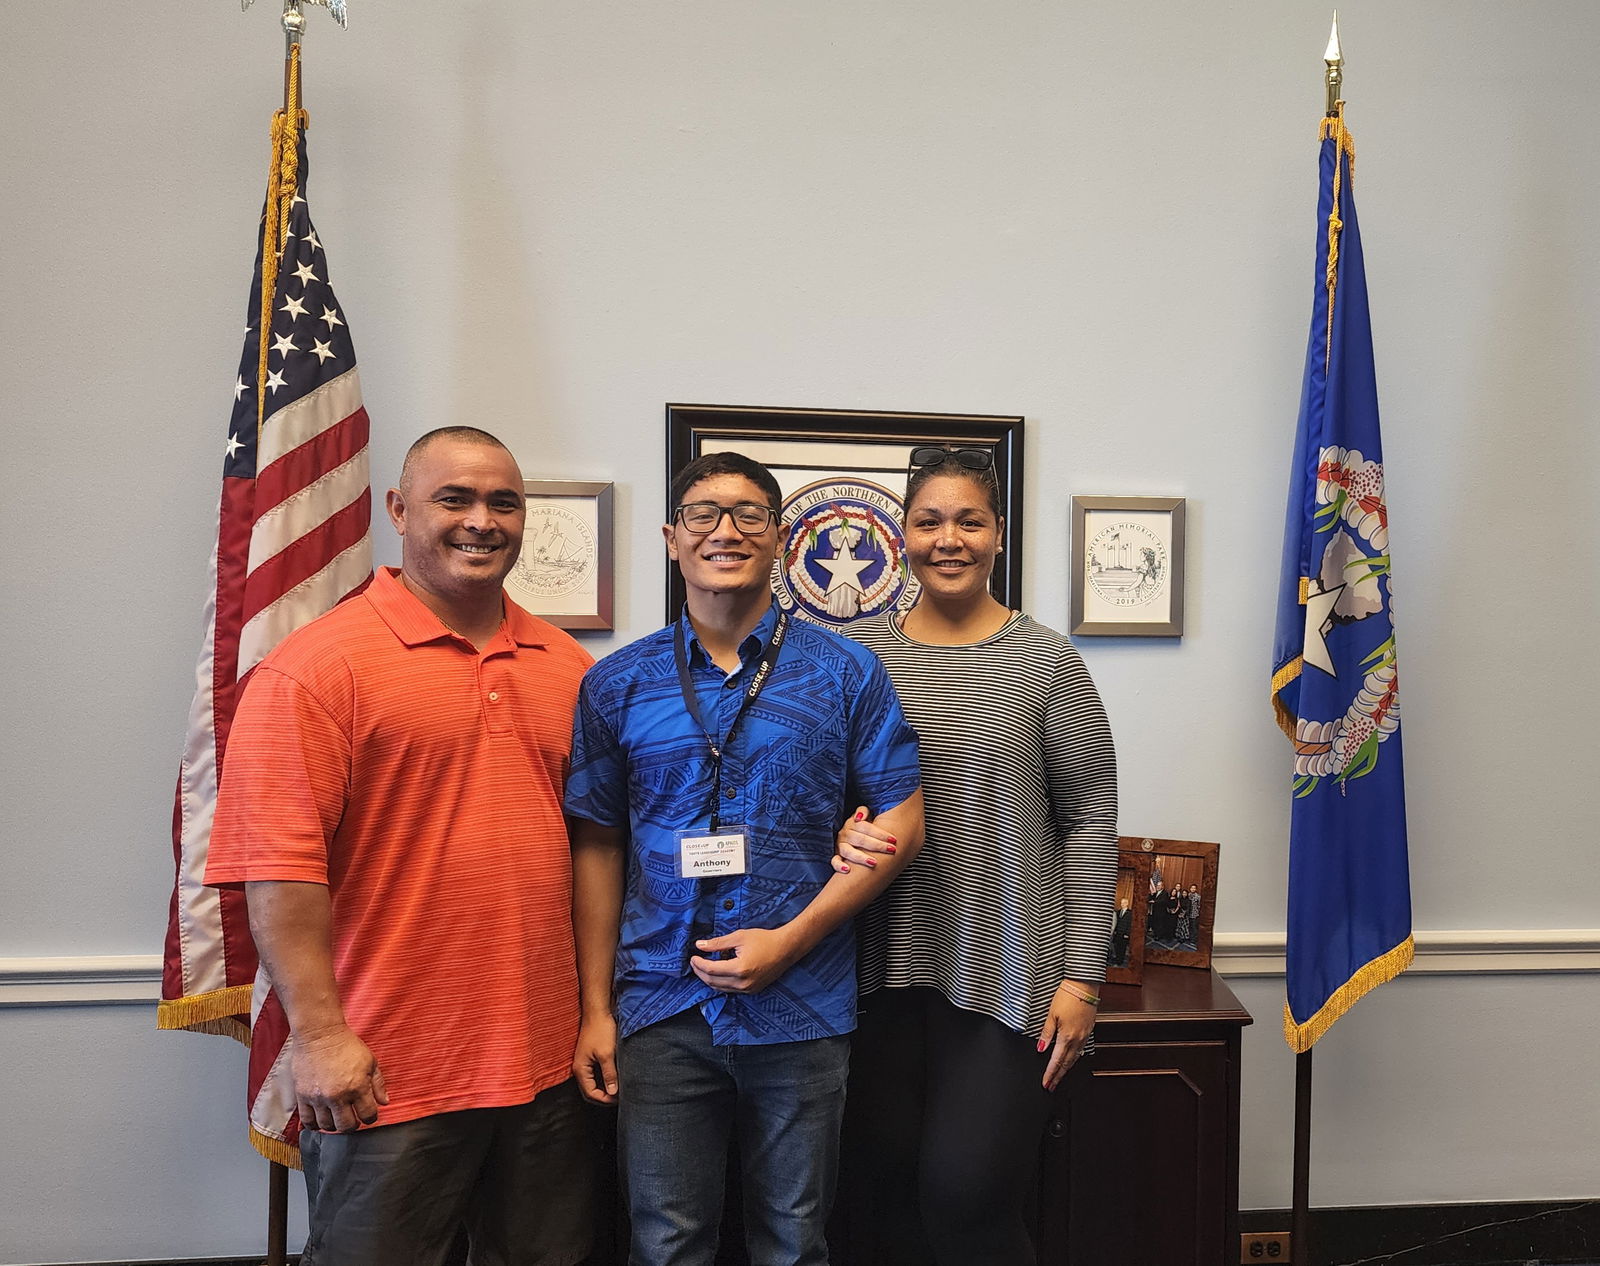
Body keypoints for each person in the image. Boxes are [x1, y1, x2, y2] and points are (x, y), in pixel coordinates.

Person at [206, 427, 597, 1266]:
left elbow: (595, 850)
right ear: (398, 510)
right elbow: (276, 866)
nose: (481, 521)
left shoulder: (566, 667)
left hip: (544, 1065)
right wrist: (318, 1038)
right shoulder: (318, 666)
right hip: (387, 1068)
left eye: (503, 501)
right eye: (453, 499)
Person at [565, 450, 925, 1266]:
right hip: (660, 1007)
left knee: (794, 1244)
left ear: (782, 537)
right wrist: (595, 1008)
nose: (725, 530)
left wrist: (791, 941)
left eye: (748, 514)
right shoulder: (617, 684)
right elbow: (596, 843)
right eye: (703, 513)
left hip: (804, 1005)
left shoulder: (845, 672)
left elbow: (906, 816)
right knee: (665, 1242)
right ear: (670, 538)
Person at [833, 444, 1118, 1266]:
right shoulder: (858, 660)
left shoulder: (1047, 661)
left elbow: (1091, 817)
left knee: (965, 1202)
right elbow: (820, 801)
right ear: (901, 536)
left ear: (998, 536)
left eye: (969, 520)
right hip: (875, 974)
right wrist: (838, 832)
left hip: (1009, 974)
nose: (948, 538)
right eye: (929, 521)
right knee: (881, 1201)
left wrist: (1083, 977)